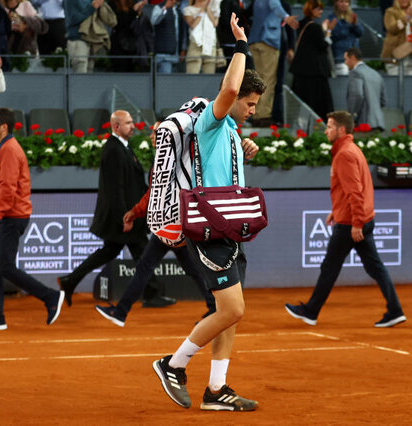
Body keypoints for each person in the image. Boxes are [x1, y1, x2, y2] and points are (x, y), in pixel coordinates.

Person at [152, 13, 263, 411]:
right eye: (249, 104)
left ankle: (217, 390)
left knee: (228, 313)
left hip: (232, 228)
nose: (251, 110)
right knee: (232, 308)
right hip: (210, 228)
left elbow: (228, 158)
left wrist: (246, 146)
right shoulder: (210, 123)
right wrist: (241, 46)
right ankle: (173, 363)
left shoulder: (231, 131)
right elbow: (231, 88)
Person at [285, 110, 406, 328]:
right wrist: (337, 210)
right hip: (355, 218)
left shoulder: (345, 154)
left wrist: (357, 223)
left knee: (330, 267)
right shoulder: (350, 150)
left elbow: (356, 192)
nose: (326, 131)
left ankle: (311, 311)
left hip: (351, 223)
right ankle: (395, 310)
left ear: (341, 130)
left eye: (330, 127)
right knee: (375, 267)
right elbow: (350, 190)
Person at [96, 119, 218, 327]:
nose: (152, 137)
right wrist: (135, 212)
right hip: (173, 225)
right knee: (190, 269)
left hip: (175, 225)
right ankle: (215, 307)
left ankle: (121, 312)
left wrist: (135, 212)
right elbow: (154, 194)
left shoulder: (174, 159)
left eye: (156, 133)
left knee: (148, 267)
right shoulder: (168, 158)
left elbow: (156, 194)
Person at [0, 107, 65, 330]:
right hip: (5, 216)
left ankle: (50, 296)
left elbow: (8, 188)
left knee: (5, 267)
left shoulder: (10, 150)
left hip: (10, 217)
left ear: (4, 127)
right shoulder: (3, 148)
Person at [57, 110, 162, 307]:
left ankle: (70, 281)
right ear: (116, 126)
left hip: (128, 215)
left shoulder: (122, 146)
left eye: (132, 122)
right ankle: (151, 293)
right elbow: (116, 189)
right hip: (123, 217)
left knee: (120, 252)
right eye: (129, 123)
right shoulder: (114, 149)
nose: (133, 126)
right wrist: (125, 217)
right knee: (139, 252)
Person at [247, 0, 298, 127]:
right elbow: (274, 5)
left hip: (254, 40)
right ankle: (263, 115)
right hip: (268, 40)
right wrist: (287, 17)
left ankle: (255, 113)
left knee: (257, 79)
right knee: (268, 79)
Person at [289, 0, 334, 120]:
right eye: (318, 9)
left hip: (301, 71)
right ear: (312, 10)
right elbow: (323, 46)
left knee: (303, 102)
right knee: (318, 104)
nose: (321, 11)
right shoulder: (315, 26)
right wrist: (328, 32)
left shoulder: (301, 25)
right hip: (315, 72)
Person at [382, 0, 412, 76]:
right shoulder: (390, 12)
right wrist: (406, 18)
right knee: (396, 85)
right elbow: (391, 29)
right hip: (396, 55)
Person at [345, 48, 385, 131]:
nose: (345, 62)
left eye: (346, 59)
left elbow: (357, 96)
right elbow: (383, 101)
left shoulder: (355, 73)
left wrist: (353, 118)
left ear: (352, 57)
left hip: (363, 122)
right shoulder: (376, 73)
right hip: (378, 122)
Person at [109, 0, 147, 72]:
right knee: (120, 70)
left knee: (131, 72)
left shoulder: (132, 3)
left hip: (132, 44)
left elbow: (137, 23)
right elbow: (119, 23)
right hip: (118, 44)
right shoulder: (112, 4)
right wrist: (133, 11)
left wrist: (139, 13)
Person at [183, 0, 220, 74]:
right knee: (192, 75)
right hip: (195, 44)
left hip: (210, 45)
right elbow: (193, 25)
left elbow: (215, 23)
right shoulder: (188, 9)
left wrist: (207, 9)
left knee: (209, 77)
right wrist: (201, 13)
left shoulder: (213, 9)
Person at [328, 0, 362, 76]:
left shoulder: (352, 16)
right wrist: (348, 24)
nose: (344, 4)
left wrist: (355, 25)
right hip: (341, 57)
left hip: (354, 56)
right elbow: (336, 34)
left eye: (346, 2)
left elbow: (360, 33)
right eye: (341, 1)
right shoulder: (332, 18)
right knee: (344, 82)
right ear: (336, 3)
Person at [65, 0, 101, 73]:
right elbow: (73, 19)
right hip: (78, 39)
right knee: (80, 73)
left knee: (89, 75)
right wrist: (92, 7)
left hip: (92, 40)